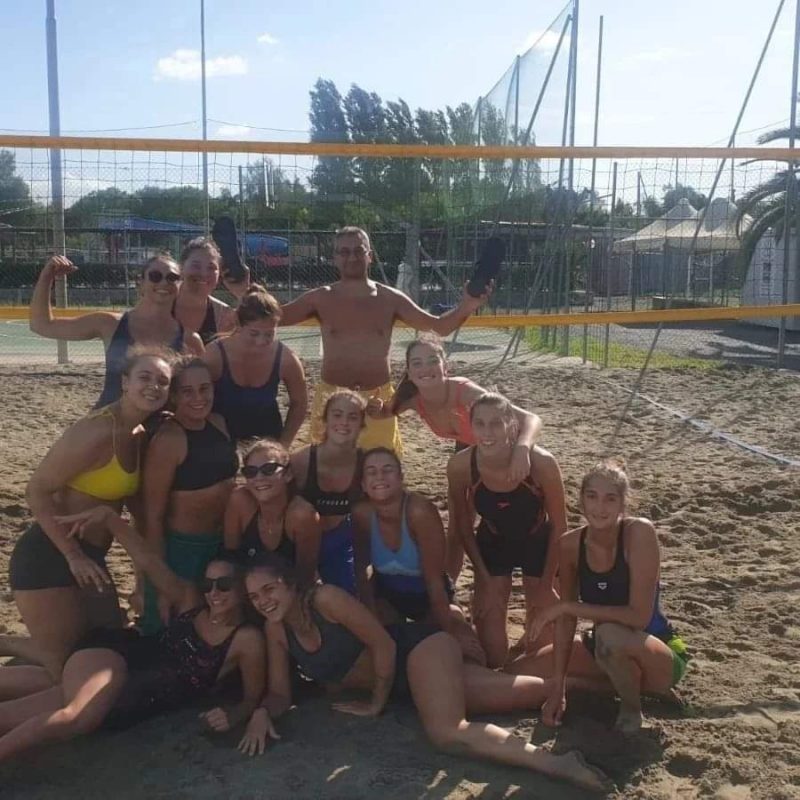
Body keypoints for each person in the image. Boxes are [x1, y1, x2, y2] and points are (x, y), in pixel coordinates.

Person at [240, 555, 607, 792]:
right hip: (410, 687)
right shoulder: (276, 631)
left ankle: (557, 763)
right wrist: (261, 713)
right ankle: (598, 686)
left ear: (290, 584)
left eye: (269, 589)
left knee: (447, 732)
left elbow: (384, 644)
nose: (263, 601)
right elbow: (280, 694)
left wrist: (375, 703)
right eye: (254, 597)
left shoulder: (326, 600)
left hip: (420, 651)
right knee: (531, 692)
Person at [0, 507, 265, 763]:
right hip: (115, 659)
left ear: (243, 588)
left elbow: (252, 698)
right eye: (208, 584)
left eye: (224, 585)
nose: (214, 593)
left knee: (15, 713)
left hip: (128, 699)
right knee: (76, 718)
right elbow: (148, 562)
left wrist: (233, 715)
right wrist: (111, 520)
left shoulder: (246, 639)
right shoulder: (191, 601)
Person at [5, 349, 173, 677]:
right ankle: (13, 645)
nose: (154, 386)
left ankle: (27, 645)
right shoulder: (96, 431)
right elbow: (36, 490)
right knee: (64, 670)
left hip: (92, 557)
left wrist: (141, 582)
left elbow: (136, 515)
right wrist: (72, 555)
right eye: (145, 377)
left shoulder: (138, 435)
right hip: (50, 555)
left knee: (107, 647)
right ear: (124, 382)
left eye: (163, 381)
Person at [272, 226, 491, 455]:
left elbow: (439, 327)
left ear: (370, 256)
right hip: (332, 397)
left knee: (380, 467)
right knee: (329, 466)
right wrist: (247, 291)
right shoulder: (320, 298)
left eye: (358, 250)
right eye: (344, 252)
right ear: (334, 258)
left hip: (378, 402)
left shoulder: (389, 298)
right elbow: (273, 317)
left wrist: (468, 305)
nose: (352, 257)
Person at [508, 460, 690, 734]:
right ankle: (594, 686)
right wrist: (558, 687)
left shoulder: (638, 533)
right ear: (581, 499)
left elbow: (639, 618)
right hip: (604, 651)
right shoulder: (570, 544)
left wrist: (568, 606)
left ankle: (632, 708)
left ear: (622, 503)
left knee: (609, 635)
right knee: (518, 671)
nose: (600, 507)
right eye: (592, 496)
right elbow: (567, 621)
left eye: (610, 499)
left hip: (657, 650)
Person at [367, 334, 544, 577]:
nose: (426, 368)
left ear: (445, 366)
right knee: (459, 525)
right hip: (470, 453)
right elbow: (383, 413)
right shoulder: (413, 398)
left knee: (522, 523)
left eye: (433, 360)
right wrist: (374, 408)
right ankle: (449, 584)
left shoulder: (465, 392)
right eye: (417, 363)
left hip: (507, 452)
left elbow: (531, 419)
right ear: (409, 371)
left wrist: (522, 449)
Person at [447, 393, 566, 669]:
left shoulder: (541, 463)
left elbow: (561, 526)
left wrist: (547, 585)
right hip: (494, 542)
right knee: (493, 656)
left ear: (512, 426)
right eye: (480, 424)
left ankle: (528, 642)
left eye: (496, 424)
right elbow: (463, 527)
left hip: (538, 541)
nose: (487, 433)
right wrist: (483, 578)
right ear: (470, 427)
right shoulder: (461, 466)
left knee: (540, 651)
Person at [352, 447, 484, 664]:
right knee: (377, 652)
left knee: (467, 649)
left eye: (388, 470)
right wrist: (370, 622)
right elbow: (362, 573)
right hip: (388, 599)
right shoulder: (362, 515)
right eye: (371, 472)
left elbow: (435, 582)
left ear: (401, 478)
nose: (380, 477)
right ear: (363, 484)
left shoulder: (419, 512)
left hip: (429, 597)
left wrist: (450, 632)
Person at [138, 357, 239, 634]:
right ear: (173, 396)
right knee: (169, 628)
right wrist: (161, 584)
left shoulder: (219, 423)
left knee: (214, 627)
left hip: (219, 546)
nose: (198, 398)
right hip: (182, 551)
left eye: (205, 389)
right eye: (187, 391)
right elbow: (153, 517)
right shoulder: (169, 440)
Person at [29, 254, 203, 409]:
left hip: (160, 427)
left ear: (180, 284)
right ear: (141, 283)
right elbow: (41, 325)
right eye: (155, 276)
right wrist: (47, 277)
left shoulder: (189, 340)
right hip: (110, 422)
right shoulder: (110, 324)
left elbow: (201, 389)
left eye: (172, 278)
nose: (164, 282)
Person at [203, 285, 307, 445]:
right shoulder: (214, 355)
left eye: (269, 334)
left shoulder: (286, 358)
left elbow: (299, 403)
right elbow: (193, 398)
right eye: (254, 333)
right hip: (221, 440)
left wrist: (284, 444)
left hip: (266, 441)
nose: (261, 341)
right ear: (238, 324)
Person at [287, 390, 364, 593]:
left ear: (362, 424)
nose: (344, 422)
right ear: (325, 419)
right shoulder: (301, 461)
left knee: (347, 596)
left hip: (340, 543)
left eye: (353, 417)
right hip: (299, 543)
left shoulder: (366, 464)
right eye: (337, 415)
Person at [223, 439, 297, 566]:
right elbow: (230, 557)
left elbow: (305, 571)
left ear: (288, 474)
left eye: (269, 469)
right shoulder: (240, 501)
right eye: (250, 472)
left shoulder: (301, 515)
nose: (259, 477)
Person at [173, 237, 240, 344]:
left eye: (211, 267)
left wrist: (241, 293)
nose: (204, 274)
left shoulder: (223, 315)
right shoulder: (162, 301)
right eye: (196, 266)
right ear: (181, 267)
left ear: (219, 273)